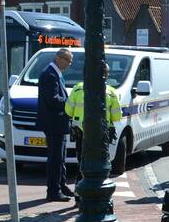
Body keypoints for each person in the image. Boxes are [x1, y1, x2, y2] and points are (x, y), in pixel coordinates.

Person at [65, 61, 123, 189]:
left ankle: (78, 192)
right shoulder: (111, 92)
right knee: (99, 163)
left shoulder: (78, 88)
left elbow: (68, 110)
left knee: (82, 161)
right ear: (107, 75)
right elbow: (117, 116)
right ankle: (97, 189)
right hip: (101, 133)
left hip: (80, 132)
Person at [38, 48, 73, 202]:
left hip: (58, 123)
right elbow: (53, 100)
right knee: (55, 158)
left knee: (60, 157)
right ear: (59, 58)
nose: (69, 64)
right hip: (53, 123)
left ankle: (61, 185)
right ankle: (53, 191)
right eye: (68, 60)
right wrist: (70, 102)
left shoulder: (54, 74)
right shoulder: (50, 75)